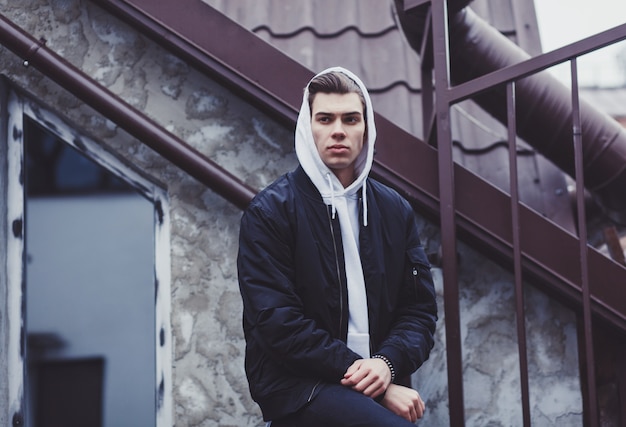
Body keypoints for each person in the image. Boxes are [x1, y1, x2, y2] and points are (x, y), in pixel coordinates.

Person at [237, 66, 437, 426]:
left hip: (379, 377)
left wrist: (387, 364)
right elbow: (279, 323)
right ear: (307, 126)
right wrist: (372, 382)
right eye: (325, 119)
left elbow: (419, 312)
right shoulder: (271, 211)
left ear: (367, 128)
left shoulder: (394, 210)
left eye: (351, 119)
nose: (338, 130)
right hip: (301, 386)